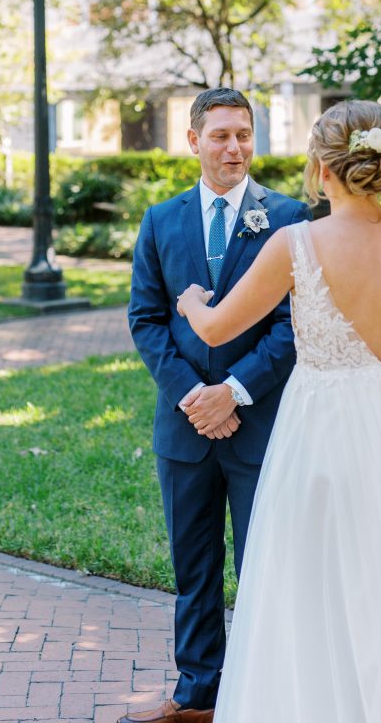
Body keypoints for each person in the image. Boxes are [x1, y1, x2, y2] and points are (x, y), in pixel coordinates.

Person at [176, 99, 381, 723]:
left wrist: (191, 301)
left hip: (322, 425)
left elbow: (215, 329)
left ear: (321, 169)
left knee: (313, 580)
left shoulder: (296, 243)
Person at [119, 88, 310, 723]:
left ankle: (264, 697)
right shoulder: (161, 220)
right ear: (194, 141)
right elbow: (146, 319)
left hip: (257, 423)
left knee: (264, 567)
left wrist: (234, 391)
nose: (235, 147)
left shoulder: (288, 217)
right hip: (184, 428)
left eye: (244, 134)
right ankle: (197, 695)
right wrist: (193, 395)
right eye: (222, 135)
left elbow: (292, 325)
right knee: (193, 571)